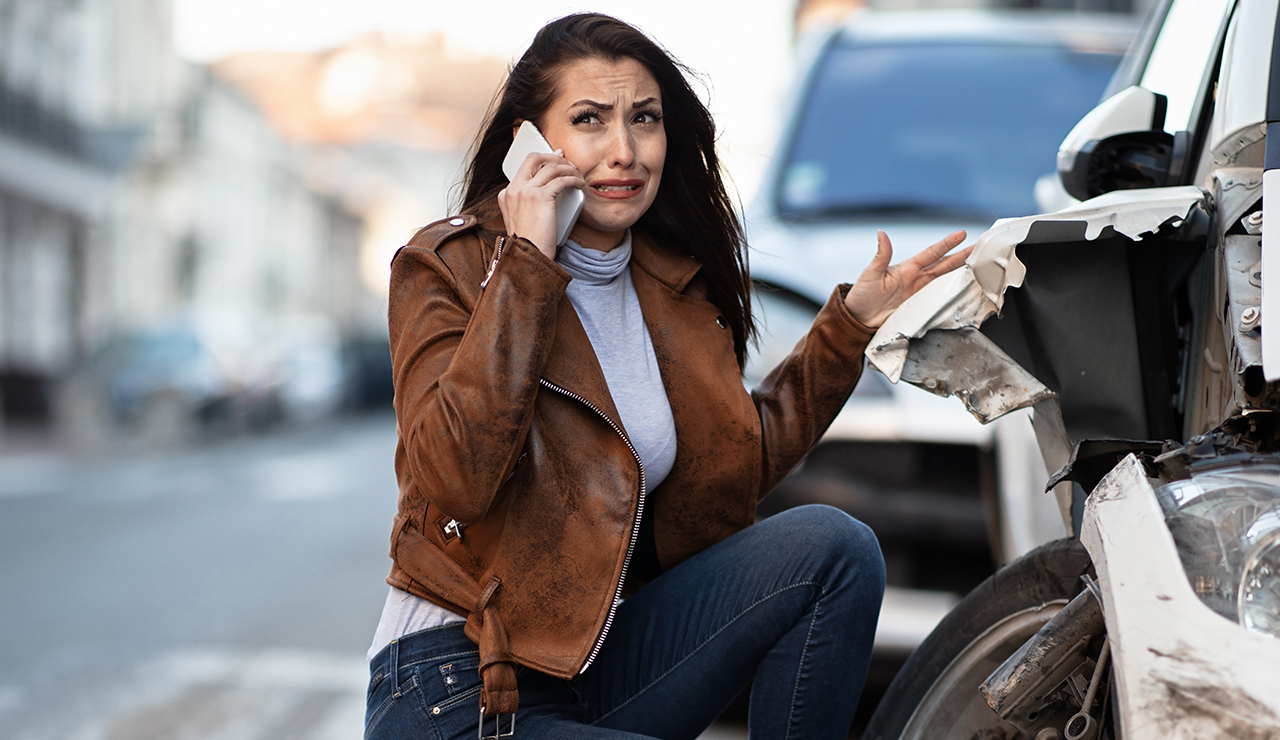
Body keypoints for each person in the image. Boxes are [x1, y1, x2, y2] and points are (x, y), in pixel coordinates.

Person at [365, 13, 972, 740]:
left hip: (606, 665)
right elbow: (455, 478)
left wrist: (848, 329)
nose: (623, 151)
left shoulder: (674, 288)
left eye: (644, 120)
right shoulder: (449, 266)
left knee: (835, 548)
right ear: (531, 142)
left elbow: (732, 471)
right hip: (460, 683)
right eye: (589, 120)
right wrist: (527, 264)